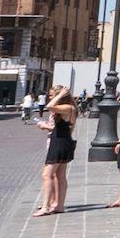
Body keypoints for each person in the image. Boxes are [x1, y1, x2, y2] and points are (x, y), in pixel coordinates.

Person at [35, 86, 78, 217]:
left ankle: (46, 206)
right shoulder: (69, 108)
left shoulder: (67, 108)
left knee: (47, 175)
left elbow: (49, 106)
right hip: (62, 141)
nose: (50, 97)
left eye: (52, 95)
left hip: (59, 143)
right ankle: (59, 205)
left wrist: (60, 96)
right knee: (59, 175)